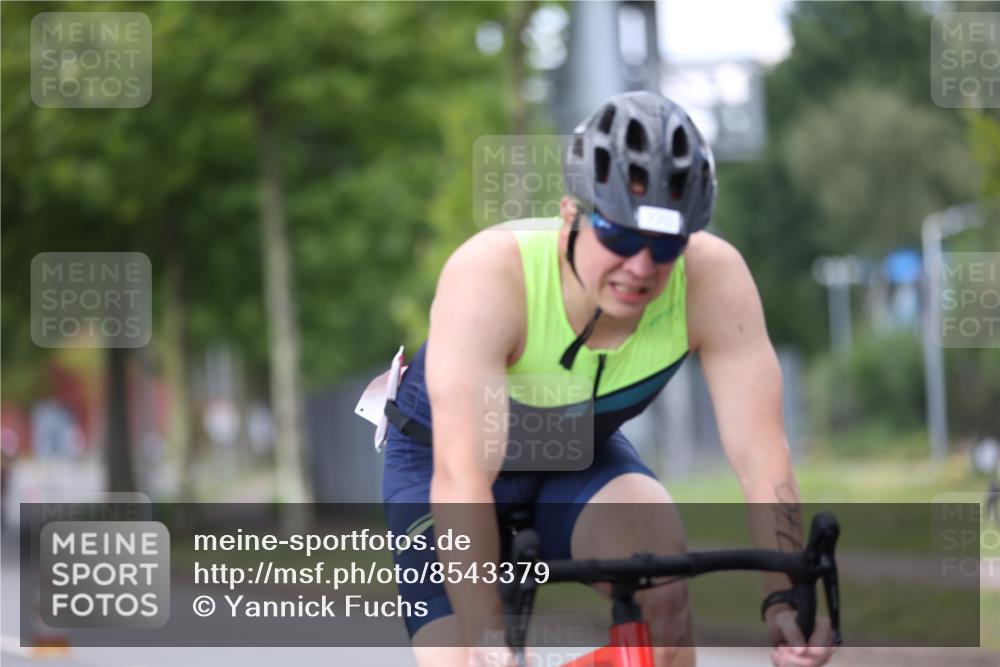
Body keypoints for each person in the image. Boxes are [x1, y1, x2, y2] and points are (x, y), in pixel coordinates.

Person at [381, 91, 836, 667]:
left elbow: (762, 455)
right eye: (619, 236)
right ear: (572, 215)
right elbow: (462, 475)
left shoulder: (713, 281)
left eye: (666, 243)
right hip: (443, 465)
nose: (641, 267)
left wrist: (783, 597)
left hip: (575, 452)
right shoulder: (490, 276)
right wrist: (487, 639)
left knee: (661, 582)